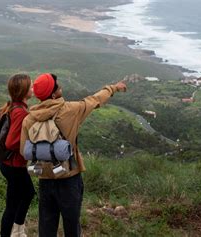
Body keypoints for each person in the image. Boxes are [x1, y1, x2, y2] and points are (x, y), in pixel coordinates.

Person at [20, 73, 127, 237]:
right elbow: (95, 100)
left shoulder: (29, 119)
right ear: (54, 94)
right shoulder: (71, 110)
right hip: (69, 178)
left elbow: (23, 151)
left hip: (45, 179)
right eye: (57, 85)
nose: (60, 86)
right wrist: (113, 88)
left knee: (47, 226)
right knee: (71, 225)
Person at [0, 74, 36, 237]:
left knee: (27, 193)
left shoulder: (12, 106)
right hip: (14, 165)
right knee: (13, 204)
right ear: (23, 90)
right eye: (31, 86)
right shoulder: (20, 112)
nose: (33, 89)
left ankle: (18, 230)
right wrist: (31, 143)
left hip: (8, 163)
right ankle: (11, 233)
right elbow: (11, 142)